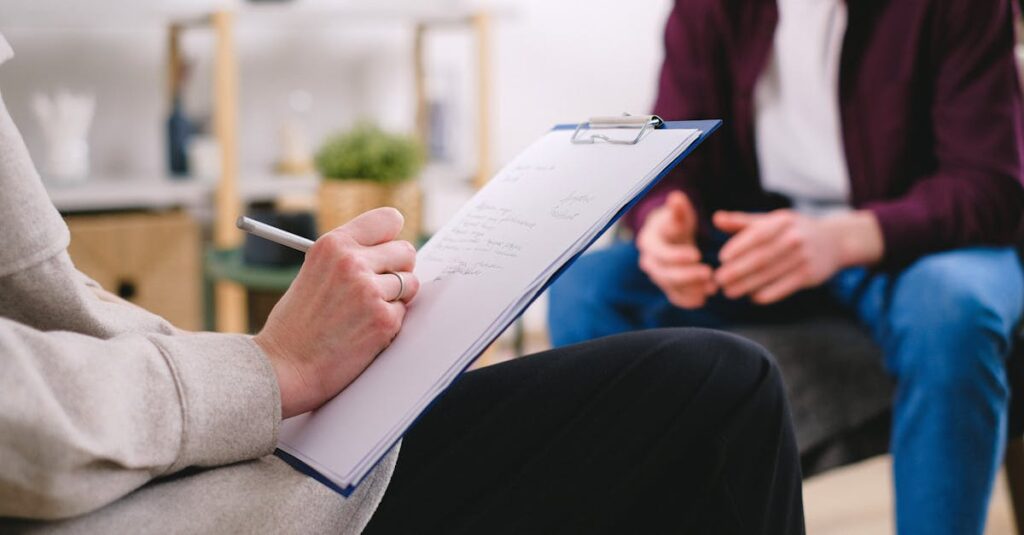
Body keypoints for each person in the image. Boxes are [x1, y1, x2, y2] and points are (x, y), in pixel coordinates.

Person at [0, 33, 805, 534]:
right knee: (724, 389)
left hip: (176, 462)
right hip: (176, 501)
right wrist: (267, 367)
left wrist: (257, 364)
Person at [549, 1, 1024, 534]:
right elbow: (672, 150)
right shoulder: (707, 9)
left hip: (913, 245)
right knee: (585, 288)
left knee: (953, 313)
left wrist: (844, 238)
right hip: (757, 244)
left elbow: (991, 187)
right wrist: (662, 219)